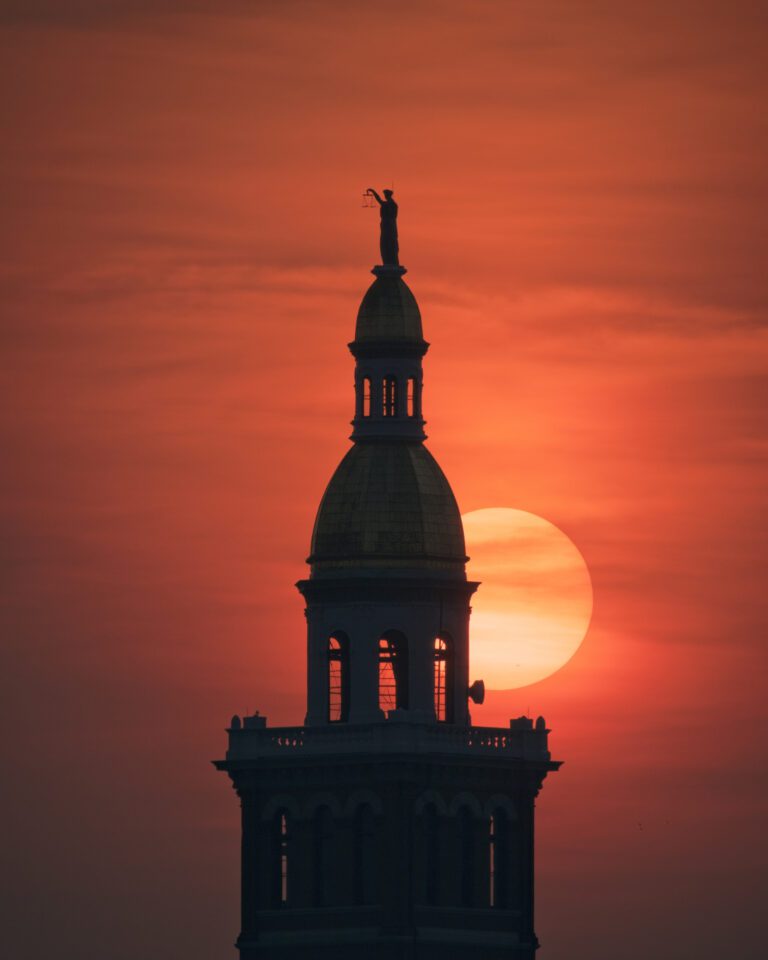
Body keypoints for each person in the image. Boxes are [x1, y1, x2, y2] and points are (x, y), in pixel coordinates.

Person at [366, 188, 399, 265]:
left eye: (385, 195)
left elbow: (380, 201)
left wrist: (373, 192)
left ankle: (390, 260)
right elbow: (379, 200)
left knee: (388, 243)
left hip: (389, 226)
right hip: (386, 225)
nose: (385, 196)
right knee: (385, 243)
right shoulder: (389, 204)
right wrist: (373, 192)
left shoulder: (391, 204)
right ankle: (387, 260)